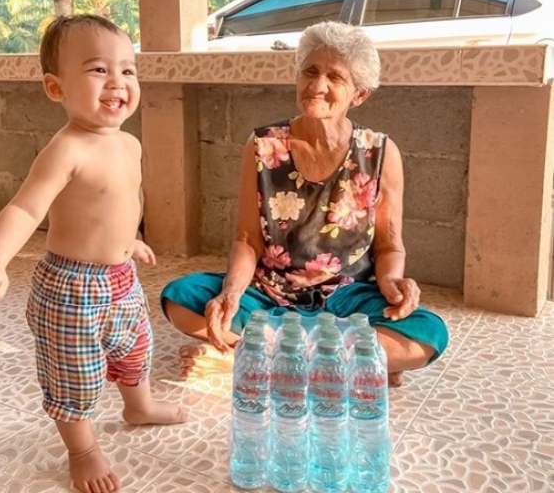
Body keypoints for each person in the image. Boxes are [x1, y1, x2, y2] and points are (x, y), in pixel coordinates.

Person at [0, 14, 187, 493]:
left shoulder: (129, 142)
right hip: (71, 289)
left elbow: (123, 201)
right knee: (74, 375)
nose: (118, 82)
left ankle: (137, 406)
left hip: (121, 278)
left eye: (128, 70)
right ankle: (82, 450)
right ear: (55, 88)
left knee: (135, 349)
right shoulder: (66, 149)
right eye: (99, 70)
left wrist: (129, 240)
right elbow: (24, 208)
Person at [161, 21, 449, 386]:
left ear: (358, 95)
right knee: (181, 298)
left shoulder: (379, 152)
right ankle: (346, 362)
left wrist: (392, 281)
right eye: (310, 71)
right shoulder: (263, 146)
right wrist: (232, 293)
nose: (317, 86)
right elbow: (248, 239)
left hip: (349, 297)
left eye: (335, 77)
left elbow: (389, 244)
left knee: (427, 333)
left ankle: (256, 360)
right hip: (272, 293)